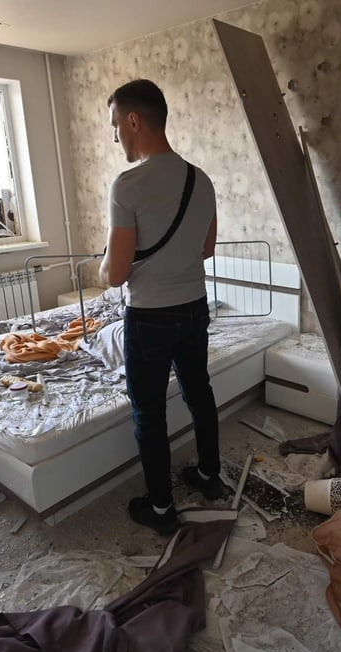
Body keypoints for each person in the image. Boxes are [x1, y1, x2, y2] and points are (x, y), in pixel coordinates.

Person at [99, 79, 225, 535]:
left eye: (116, 125)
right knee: (199, 391)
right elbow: (207, 248)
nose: (116, 136)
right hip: (194, 307)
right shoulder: (203, 179)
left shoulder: (127, 186)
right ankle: (210, 476)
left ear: (134, 120)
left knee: (148, 412)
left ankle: (159, 509)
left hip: (150, 317)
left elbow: (115, 274)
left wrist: (101, 269)